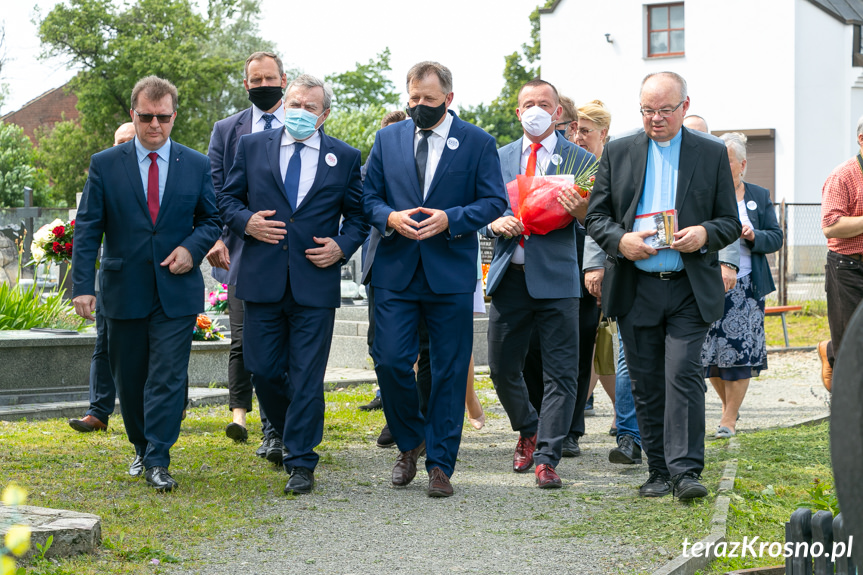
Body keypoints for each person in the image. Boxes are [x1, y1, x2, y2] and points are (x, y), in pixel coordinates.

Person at [586, 71, 740, 500]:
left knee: (684, 374)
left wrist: (705, 234)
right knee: (646, 380)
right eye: (647, 110)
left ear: (685, 107)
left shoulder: (710, 154)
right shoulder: (618, 152)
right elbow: (596, 218)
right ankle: (657, 470)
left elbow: (729, 220)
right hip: (638, 285)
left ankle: (687, 471)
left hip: (689, 286)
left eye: (665, 110)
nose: (656, 119)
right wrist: (622, 241)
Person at [362, 61, 507, 498]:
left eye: (427, 99)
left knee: (446, 371)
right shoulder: (387, 138)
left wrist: (453, 219)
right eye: (413, 99)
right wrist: (389, 215)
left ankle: (440, 464)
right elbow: (367, 195)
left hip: (450, 273)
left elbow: (494, 201)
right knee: (389, 359)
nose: (419, 106)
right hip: (395, 269)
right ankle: (410, 442)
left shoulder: (478, 142)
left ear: (448, 97)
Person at [219, 74, 368, 495]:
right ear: (284, 103)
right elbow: (227, 199)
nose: (300, 112)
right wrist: (245, 221)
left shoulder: (344, 156)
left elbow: (357, 218)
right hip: (261, 279)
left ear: (324, 115)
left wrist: (341, 247)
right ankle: (287, 431)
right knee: (262, 369)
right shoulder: (251, 147)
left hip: (314, 283)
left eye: (310, 107)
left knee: (306, 376)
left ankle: (301, 460)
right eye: (295, 104)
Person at [71, 76, 221, 491]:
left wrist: (193, 248)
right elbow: (88, 228)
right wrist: (83, 285)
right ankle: (139, 444)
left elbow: (211, 219)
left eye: (164, 117)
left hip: (176, 289)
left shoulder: (196, 164)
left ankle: (158, 455)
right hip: (123, 289)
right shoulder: (105, 164)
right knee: (130, 376)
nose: (155, 125)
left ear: (174, 116)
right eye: (147, 117)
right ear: (133, 115)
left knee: (168, 375)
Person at [483, 78, 594, 488]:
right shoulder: (499, 157)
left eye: (543, 103)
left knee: (562, 374)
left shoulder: (580, 159)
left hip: (559, 280)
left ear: (557, 112)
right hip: (510, 275)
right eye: (528, 103)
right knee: (501, 366)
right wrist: (494, 221)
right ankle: (528, 427)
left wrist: (581, 209)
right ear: (518, 112)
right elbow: (483, 208)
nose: (536, 109)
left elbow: (594, 219)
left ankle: (548, 455)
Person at [206, 51, 286, 460]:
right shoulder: (226, 129)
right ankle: (268, 429)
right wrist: (221, 236)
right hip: (243, 252)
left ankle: (280, 430)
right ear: (246, 85)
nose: (262, 85)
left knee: (287, 346)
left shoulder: (304, 120)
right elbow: (216, 190)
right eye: (254, 80)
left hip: (295, 255)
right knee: (252, 341)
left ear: (283, 79)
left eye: (268, 78)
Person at [702, 133, 783, 438]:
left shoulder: (758, 196)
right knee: (712, 355)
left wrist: (753, 236)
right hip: (710, 284)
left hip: (747, 288)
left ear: (743, 164)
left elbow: (776, 237)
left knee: (740, 354)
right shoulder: (706, 194)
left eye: (728, 160)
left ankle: (729, 419)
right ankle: (729, 410)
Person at [68, 122, 136, 434]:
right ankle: (98, 412)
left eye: (128, 142)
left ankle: (172, 405)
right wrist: (83, 285)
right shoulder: (104, 175)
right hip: (114, 279)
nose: (121, 148)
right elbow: (87, 231)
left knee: (162, 348)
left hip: (161, 277)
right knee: (104, 344)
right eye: (118, 142)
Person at [819, 113, 863, 392]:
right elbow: (830, 225)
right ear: (861, 140)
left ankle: (829, 349)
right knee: (851, 339)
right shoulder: (843, 175)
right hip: (847, 266)